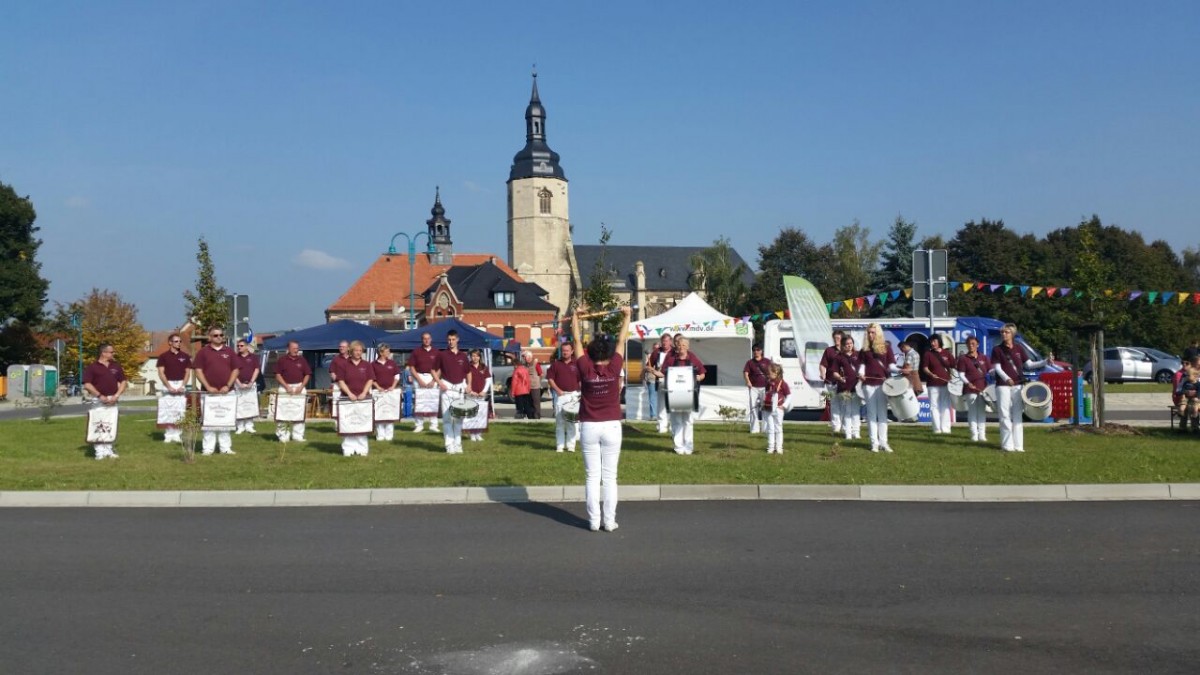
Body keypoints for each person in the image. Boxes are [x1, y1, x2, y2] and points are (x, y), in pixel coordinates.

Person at [571, 305, 631, 532]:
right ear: (607, 354)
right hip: (612, 426)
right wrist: (627, 316)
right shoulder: (615, 366)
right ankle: (609, 521)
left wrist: (575, 317)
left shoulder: (585, 367)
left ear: (591, 354)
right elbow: (622, 340)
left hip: (589, 426)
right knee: (610, 477)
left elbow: (576, 341)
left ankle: (594, 521)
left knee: (592, 476)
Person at [991, 323, 1049, 452]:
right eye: (1002, 332)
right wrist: (1007, 379)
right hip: (1002, 385)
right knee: (1004, 414)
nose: (1003, 334)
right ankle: (1007, 445)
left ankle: (1018, 445)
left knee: (1017, 415)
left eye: (1006, 332)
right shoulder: (997, 350)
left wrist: (1045, 362)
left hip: (1018, 385)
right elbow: (997, 368)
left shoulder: (1019, 348)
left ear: (1012, 334)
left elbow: (1029, 364)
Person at [193, 326, 239, 455]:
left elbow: (235, 369)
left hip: (227, 392)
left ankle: (225, 448)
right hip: (209, 393)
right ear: (209, 337)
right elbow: (198, 370)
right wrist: (208, 387)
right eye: (215, 335)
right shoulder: (203, 352)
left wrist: (228, 385)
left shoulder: (229, 351)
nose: (219, 337)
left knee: (226, 420)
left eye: (221, 335)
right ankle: (208, 448)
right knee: (209, 420)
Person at [858, 322, 898, 453]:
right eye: (868, 332)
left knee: (882, 414)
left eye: (873, 332)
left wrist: (901, 370)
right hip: (868, 385)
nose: (870, 335)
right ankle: (874, 443)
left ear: (878, 333)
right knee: (871, 414)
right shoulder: (864, 350)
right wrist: (861, 374)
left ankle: (884, 442)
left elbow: (891, 366)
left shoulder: (886, 347)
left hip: (882, 385)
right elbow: (862, 365)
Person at [83, 343, 127, 460]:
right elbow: (87, 384)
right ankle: (99, 451)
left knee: (110, 423)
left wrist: (117, 395)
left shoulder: (116, 366)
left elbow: (123, 381)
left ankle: (108, 449)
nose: (113, 354)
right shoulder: (92, 367)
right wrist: (99, 395)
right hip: (98, 399)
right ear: (104, 353)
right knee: (98, 423)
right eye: (111, 352)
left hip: (113, 398)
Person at [663, 336, 706, 455]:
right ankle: (678, 447)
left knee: (687, 421)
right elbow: (663, 373)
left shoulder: (693, 357)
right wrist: (650, 370)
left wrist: (699, 377)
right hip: (674, 395)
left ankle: (688, 446)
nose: (681, 347)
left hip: (689, 394)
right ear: (676, 346)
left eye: (684, 345)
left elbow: (702, 373)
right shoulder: (671, 358)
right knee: (676, 421)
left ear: (688, 347)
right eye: (679, 345)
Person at [435, 329, 471, 453]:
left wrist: (469, 384)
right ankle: (449, 445)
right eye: (449, 340)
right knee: (447, 418)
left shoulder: (463, 356)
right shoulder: (442, 354)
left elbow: (468, 372)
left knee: (458, 418)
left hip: (460, 388)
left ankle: (458, 443)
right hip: (447, 388)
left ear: (457, 339)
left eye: (453, 339)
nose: (451, 342)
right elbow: (433, 371)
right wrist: (439, 383)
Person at [337, 340, 375, 456]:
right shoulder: (344, 364)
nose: (359, 353)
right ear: (351, 351)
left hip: (363, 398)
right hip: (347, 398)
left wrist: (364, 392)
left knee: (362, 422)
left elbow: (370, 379)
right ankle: (348, 449)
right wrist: (349, 393)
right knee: (348, 423)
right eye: (356, 350)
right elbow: (340, 381)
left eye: (360, 351)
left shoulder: (367, 365)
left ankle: (362, 449)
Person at [156, 332, 192, 443]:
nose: (179, 343)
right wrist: (168, 386)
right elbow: (161, 373)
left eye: (180, 341)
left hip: (180, 383)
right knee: (168, 410)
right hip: (169, 383)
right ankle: (168, 434)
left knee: (179, 410)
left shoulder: (185, 356)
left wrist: (183, 385)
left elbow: (187, 373)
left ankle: (177, 434)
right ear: (170, 343)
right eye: (176, 341)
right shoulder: (163, 356)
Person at [274, 339, 312, 443]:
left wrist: (301, 386)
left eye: (297, 348)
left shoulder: (302, 360)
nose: (296, 350)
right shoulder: (282, 360)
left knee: (298, 412)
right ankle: (283, 435)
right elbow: (277, 375)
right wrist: (286, 386)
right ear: (288, 349)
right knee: (283, 412)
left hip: (299, 387)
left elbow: (307, 374)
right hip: (285, 387)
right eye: (294, 348)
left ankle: (298, 435)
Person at [547, 340, 581, 452]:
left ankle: (571, 446)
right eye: (563, 351)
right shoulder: (556, 364)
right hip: (561, 396)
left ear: (572, 351)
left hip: (574, 396)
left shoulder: (577, 364)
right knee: (560, 422)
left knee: (571, 423)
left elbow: (581, 380)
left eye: (567, 350)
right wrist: (558, 390)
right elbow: (550, 379)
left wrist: (581, 393)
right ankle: (560, 446)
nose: (565, 353)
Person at [956, 335, 992, 442]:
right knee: (972, 411)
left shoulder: (984, 357)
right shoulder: (963, 359)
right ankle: (974, 434)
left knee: (981, 411)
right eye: (969, 344)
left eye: (973, 344)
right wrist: (968, 383)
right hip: (970, 388)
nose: (971, 346)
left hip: (983, 388)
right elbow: (961, 375)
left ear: (978, 345)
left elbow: (990, 371)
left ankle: (982, 434)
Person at [830, 335, 862, 441]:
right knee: (847, 410)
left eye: (851, 343)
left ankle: (856, 432)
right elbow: (834, 372)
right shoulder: (838, 357)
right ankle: (848, 433)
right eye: (847, 344)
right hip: (844, 387)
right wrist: (840, 378)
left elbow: (863, 368)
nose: (849, 346)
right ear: (843, 345)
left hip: (857, 387)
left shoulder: (858, 355)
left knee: (856, 411)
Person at [922, 335, 955, 434]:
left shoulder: (947, 353)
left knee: (945, 406)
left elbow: (953, 365)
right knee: (934, 406)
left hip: (945, 383)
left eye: (934, 341)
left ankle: (946, 428)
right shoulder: (928, 354)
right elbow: (925, 368)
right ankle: (936, 429)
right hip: (932, 384)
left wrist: (952, 377)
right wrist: (931, 374)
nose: (933, 343)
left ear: (939, 341)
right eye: (931, 342)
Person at [408, 332, 441, 432]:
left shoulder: (437, 352)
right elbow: (411, 367)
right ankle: (419, 425)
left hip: (433, 378)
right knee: (419, 401)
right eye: (424, 338)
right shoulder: (416, 352)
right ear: (422, 340)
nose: (426, 340)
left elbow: (440, 368)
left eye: (428, 338)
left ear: (431, 339)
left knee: (433, 401)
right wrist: (419, 379)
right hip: (419, 377)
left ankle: (433, 425)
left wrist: (434, 380)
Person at [818, 330, 846, 435]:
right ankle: (836, 427)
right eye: (835, 338)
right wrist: (822, 373)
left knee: (844, 403)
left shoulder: (846, 350)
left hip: (844, 382)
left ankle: (845, 425)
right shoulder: (829, 351)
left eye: (838, 338)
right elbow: (822, 364)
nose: (836, 340)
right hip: (831, 381)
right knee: (834, 404)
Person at [644, 333, 673, 433]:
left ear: (670, 342)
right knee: (661, 404)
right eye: (663, 341)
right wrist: (651, 369)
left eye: (666, 341)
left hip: (673, 381)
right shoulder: (657, 352)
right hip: (660, 381)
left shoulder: (674, 352)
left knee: (672, 404)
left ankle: (673, 425)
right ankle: (662, 426)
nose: (664, 343)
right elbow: (649, 365)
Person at [372, 343, 401, 442]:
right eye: (387, 351)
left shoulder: (392, 363)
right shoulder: (373, 364)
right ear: (381, 352)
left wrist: (393, 386)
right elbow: (371, 378)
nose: (389, 353)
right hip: (378, 392)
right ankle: (380, 435)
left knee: (389, 413)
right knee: (379, 413)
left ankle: (389, 435)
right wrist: (378, 387)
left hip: (390, 392)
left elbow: (397, 376)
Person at [761, 363, 792, 454]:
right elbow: (766, 393)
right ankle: (770, 447)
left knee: (778, 428)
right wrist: (763, 402)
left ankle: (779, 448)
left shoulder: (783, 383)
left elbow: (789, 395)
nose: (768, 374)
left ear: (776, 373)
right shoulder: (768, 382)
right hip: (768, 409)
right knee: (770, 428)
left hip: (778, 409)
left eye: (769, 373)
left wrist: (784, 405)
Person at [232, 338, 260, 435]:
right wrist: (239, 383)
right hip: (238, 384)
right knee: (239, 405)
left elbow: (256, 369)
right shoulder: (235, 357)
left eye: (241, 346)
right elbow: (233, 371)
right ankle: (240, 426)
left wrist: (252, 382)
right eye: (238, 346)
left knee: (250, 404)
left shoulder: (253, 357)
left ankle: (249, 426)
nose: (239, 347)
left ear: (247, 347)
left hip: (251, 384)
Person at [743, 344, 772, 434]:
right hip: (753, 388)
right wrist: (748, 381)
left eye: (758, 350)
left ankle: (766, 428)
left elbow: (773, 372)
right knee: (753, 408)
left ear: (761, 351)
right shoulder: (749, 362)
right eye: (754, 350)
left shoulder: (767, 361)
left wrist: (772, 383)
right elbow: (746, 373)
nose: (756, 351)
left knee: (766, 408)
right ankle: (754, 429)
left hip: (765, 387)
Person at [464, 349, 492, 441]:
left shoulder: (484, 367)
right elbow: (463, 381)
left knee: (480, 414)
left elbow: (488, 380)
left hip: (481, 395)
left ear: (480, 357)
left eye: (477, 356)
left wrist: (484, 391)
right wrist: (470, 391)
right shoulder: (467, 367)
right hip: (471, 394)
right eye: (473, 356)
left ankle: (478, 433)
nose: (475, 358)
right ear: (470, 357)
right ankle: (472, 434)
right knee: (471, 414)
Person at [328, 340, 350, 419]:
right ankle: (337, 425)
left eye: (343, 347)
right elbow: (332, 373)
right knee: (336, 404)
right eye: (340, 346)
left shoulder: (352, 359)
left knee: (348, 404)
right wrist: (339, 382)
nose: (341, 348)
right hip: (338, 385)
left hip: (350, 385)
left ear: (348, 348)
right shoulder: (335, 359)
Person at [511, 351, 534, 419]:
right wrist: (528, 389)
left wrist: (512, 392)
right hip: (526, 390)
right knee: (527, 405)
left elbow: (514, 382)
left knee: (519, 406)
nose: (513, 367)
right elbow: (528, 381)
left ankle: (520, 417)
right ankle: (530, 417)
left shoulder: (516, 371)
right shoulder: (525, 369)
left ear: (515, 364)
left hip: (518, 391)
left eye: (513, 365)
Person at [527, 351, 544, 419]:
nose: (524, 359)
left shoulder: (536, 364)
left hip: (535, 387)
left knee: (536, 402)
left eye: (525, 357)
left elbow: (541, 374)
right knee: (529, 402)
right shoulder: (526, 365)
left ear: (530, 357)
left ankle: (537, 417)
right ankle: (530, 417)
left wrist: (537, 381)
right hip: (528, 387)